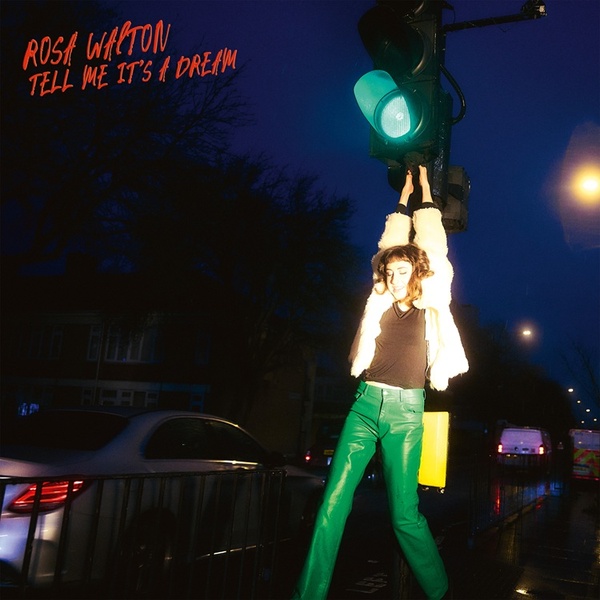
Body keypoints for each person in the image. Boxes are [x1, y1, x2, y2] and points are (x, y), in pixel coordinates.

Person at [291, 165, 468, 600]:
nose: (394, 278)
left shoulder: (434, 301)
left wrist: (423, 189)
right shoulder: (379, 300)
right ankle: (307, 595)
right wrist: (400, 198)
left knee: (404, 515)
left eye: (403, 271)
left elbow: (431, 242)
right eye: (389, 273)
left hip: (406, 415)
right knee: (332, 503)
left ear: (418, 272)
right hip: (365, 406)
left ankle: (440, 591)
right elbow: (388, 244)